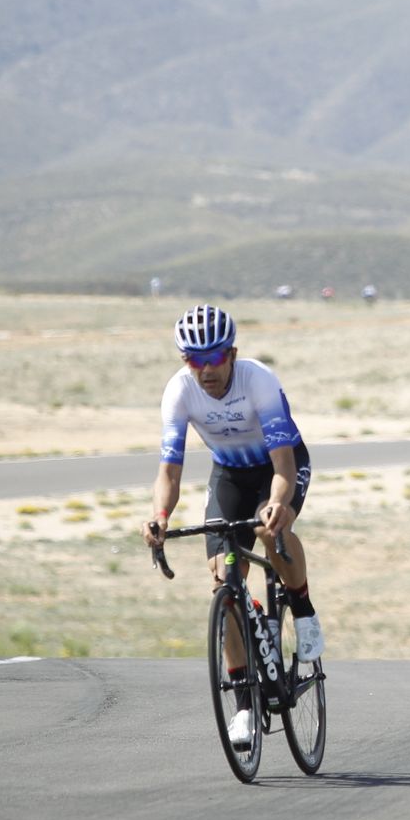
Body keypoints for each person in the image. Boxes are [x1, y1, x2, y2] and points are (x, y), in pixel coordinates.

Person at [140, 304, 324, 750]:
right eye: (193, 360)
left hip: (279, 467)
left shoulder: (258, 381)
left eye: (214, 358)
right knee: (224, 584)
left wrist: (277, 505)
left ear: (232, 354)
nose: (205, 370)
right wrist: (160, 518)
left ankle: (301, 608)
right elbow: (170, 472)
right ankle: (244, 706)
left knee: (270, 530)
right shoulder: (179, 392)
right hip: (230, 474)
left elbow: (283, 464)